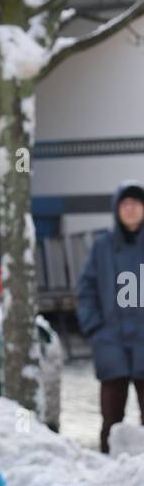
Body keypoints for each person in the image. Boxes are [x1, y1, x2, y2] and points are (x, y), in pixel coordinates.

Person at [76, 180, 144, 453]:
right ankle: (107, 470)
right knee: (111, 419)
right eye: (124, 204)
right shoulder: (102, 246)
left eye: (136, 204)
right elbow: (86, 289)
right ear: (117, 209)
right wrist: (95, 330)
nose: (130, 209)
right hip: (111, 343)